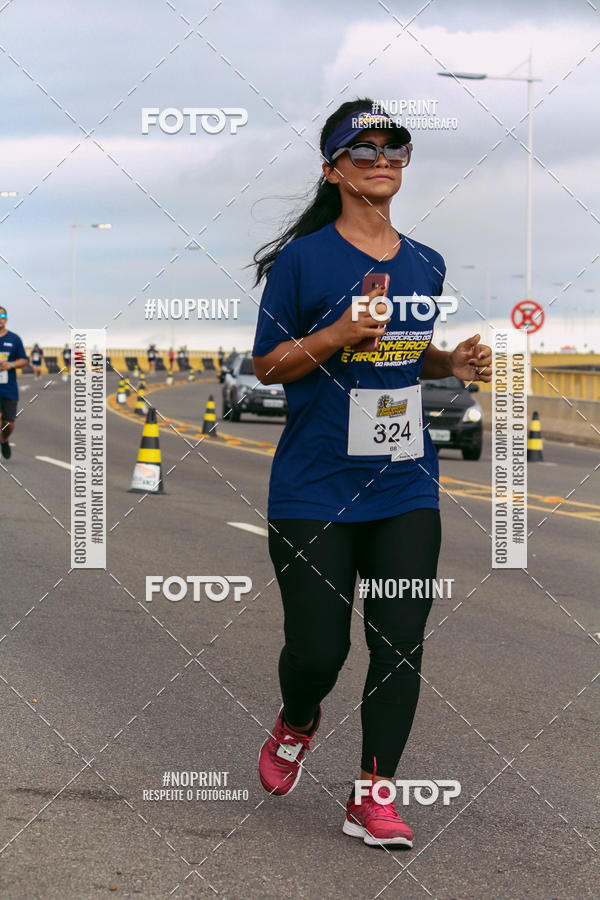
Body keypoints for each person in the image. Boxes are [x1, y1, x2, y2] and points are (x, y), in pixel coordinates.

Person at [251, 100, 492, 848]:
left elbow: (405, 346)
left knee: (400, 643)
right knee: (320, 652)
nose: (383, 157)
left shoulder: (424, 261)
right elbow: (269, 363)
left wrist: (448, 361)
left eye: (395, 147)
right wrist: (340, 331)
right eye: (364, 149)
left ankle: (371, 796)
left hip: (404, 484)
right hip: (315, 486)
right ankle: (297, 720)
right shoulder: (305, 261)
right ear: (332, 169)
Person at [0, 306, 29, 459]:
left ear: (6, 318)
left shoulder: (14, 339)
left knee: (8, 424)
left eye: (2, 315)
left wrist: (10, 365)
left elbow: (24, 360)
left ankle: (3, 439)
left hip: (8, 389)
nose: (0, 317)